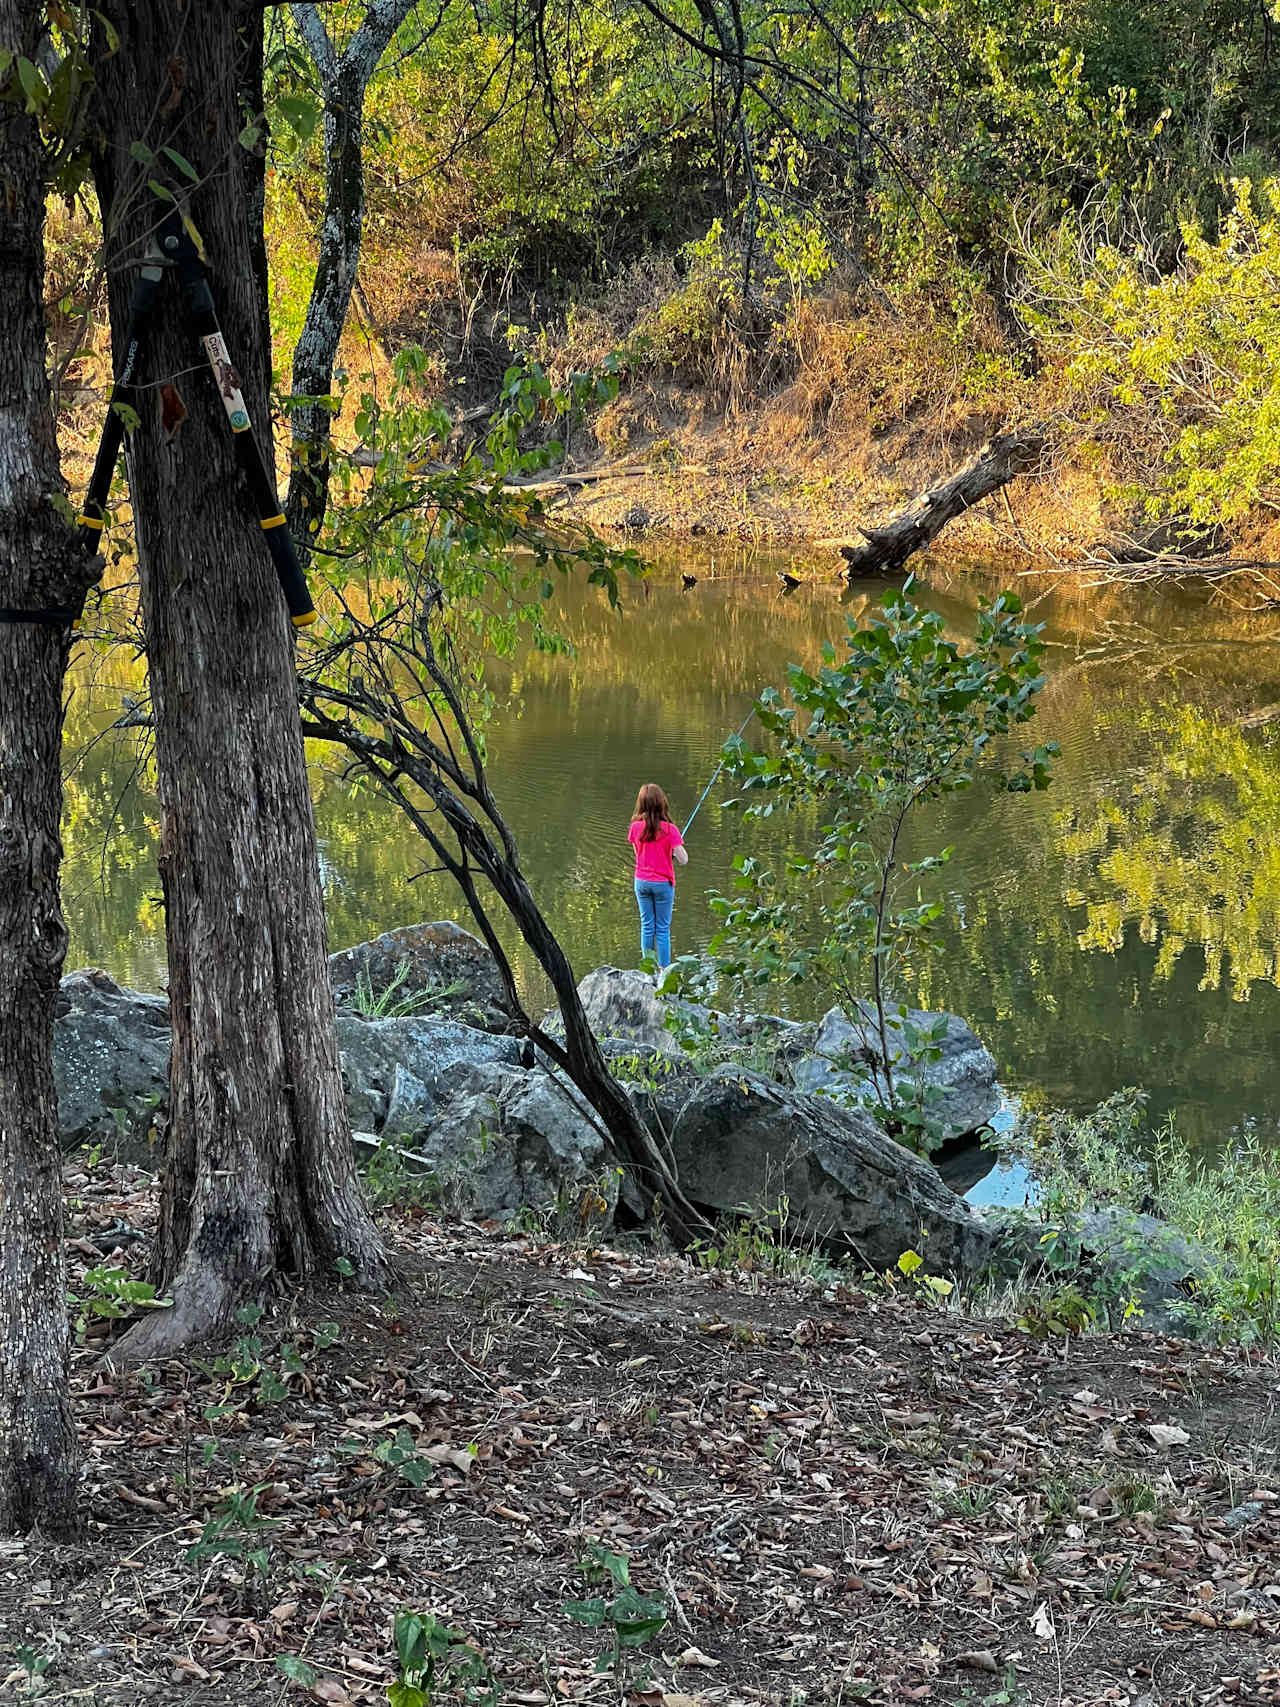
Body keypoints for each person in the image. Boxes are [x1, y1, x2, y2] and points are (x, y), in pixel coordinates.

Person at [628, 782, 688, 970]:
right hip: (663, 883)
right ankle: (664, 971)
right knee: (662, 929)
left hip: (642, 882)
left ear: (641, 804)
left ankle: (648, 969)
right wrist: (670, 851)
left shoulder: (635, 827)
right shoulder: (671, 830)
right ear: (662, 803)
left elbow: (639, 853)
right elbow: (683, 859)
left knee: (647, 925)